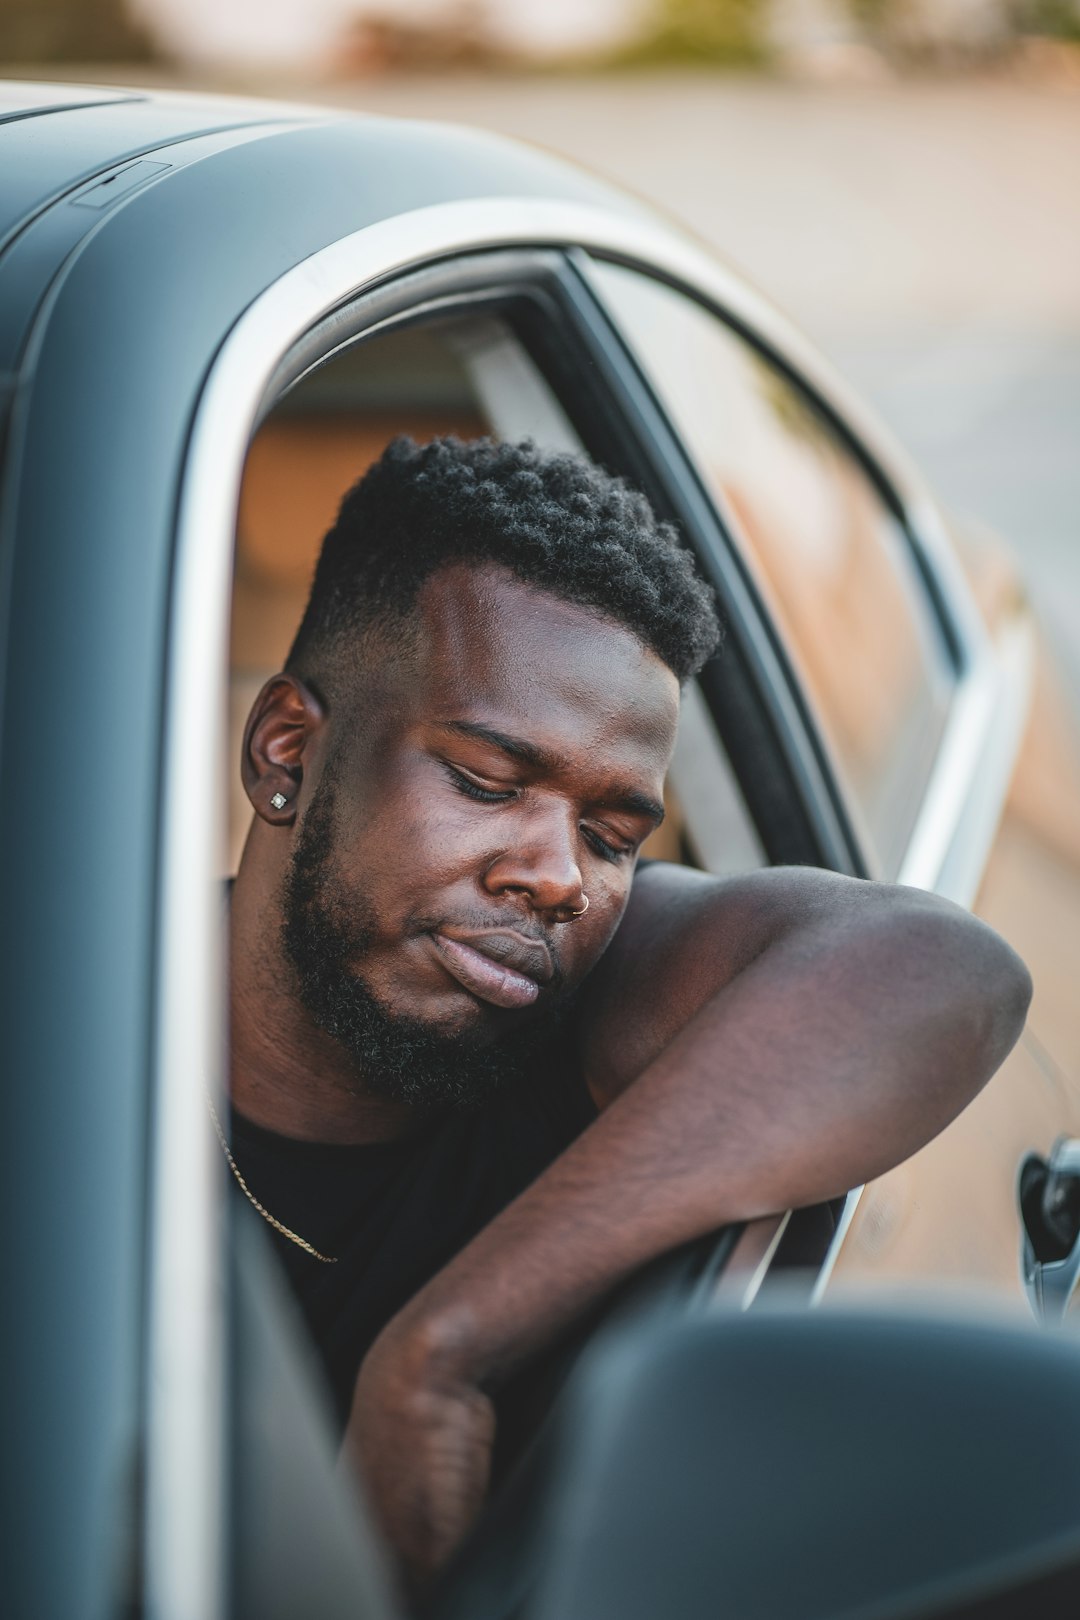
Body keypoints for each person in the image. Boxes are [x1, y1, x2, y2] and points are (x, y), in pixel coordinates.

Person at [226, 434, 1031, 1598]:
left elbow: (949, 971)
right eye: (487, 783)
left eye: (613, 837)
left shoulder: (576, 1008)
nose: (559, 878)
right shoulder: (66, 1046)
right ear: (287, 752)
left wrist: (438, 1352)